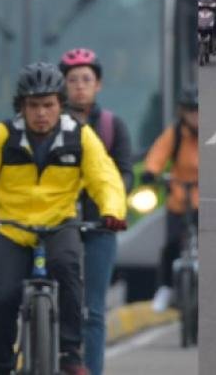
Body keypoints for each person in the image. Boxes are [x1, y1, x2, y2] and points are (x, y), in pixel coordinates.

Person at [0, 62, 127, 375]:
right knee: (1, 296)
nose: (41, 113)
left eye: (48, 105)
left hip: (59, 223)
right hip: (12, 227)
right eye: (34, 106)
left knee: (67, 268)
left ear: (60, 104)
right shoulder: (3, 134)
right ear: (21, 107)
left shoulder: (80, 136)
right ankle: (0, 365)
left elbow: (104, 176)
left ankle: (70, 353)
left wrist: (112, 211)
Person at [59, 48, 134, 375]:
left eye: (86, 80)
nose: (79, 86)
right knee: (50, 299)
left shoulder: (111, 125)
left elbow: (125, 172)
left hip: (99, 226)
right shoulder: (50, 123)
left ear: (98, 85)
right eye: (72, 80)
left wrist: (112, 203)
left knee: (94, 310)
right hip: (57, 224)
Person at [144, 88, 199, 313]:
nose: (196, 116)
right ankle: (166, 288)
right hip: (179, 199)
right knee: (171, 246)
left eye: (199, 111)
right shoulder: (175, 134)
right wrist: (151, 172)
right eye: (191, 111)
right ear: (183, 113)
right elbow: (157, 156)